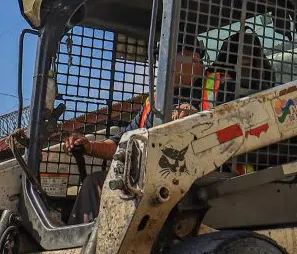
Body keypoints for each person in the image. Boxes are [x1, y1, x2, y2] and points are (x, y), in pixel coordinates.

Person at [65, 42, 227, 224]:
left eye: (168, 57)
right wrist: (89, 146)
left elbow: (232, 128)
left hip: (204, 178)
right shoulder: (156, 100)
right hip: (153, 180)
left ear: (194, 58)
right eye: (160, 58)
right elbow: (123, 143)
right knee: (95, 183)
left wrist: (197, 119)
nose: (162, 65)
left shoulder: (220, 87)